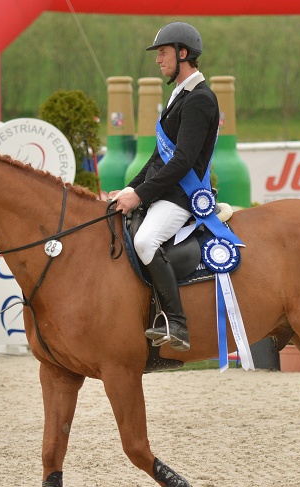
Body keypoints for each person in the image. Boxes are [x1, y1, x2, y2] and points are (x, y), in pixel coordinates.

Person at [112, 22, 219, 352]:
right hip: (165, 191)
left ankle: (177, 322)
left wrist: (141, 194)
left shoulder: (200, 99)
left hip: (181, 195)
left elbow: (182, 161)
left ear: (182, 53)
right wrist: (129, 189)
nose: (158, 60)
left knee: (145, 241)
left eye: (162, 53)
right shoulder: (179, 95)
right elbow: (158, 157)